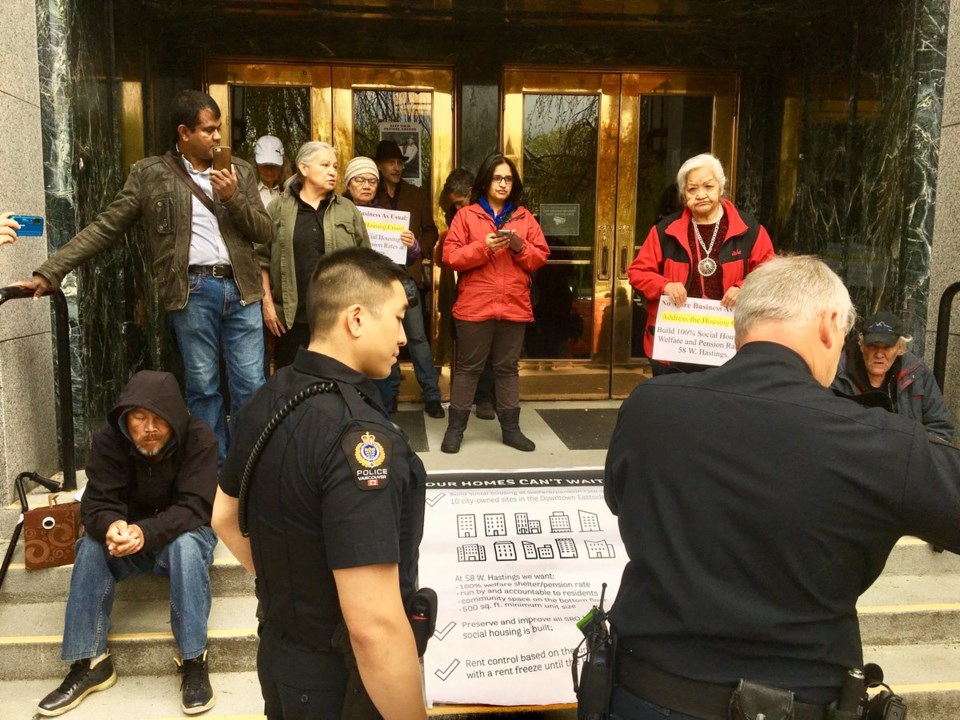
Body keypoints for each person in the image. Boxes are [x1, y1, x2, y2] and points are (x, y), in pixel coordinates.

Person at [604, 256, 960, 720]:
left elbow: (619, 498)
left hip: (643, 694)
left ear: (740, 329)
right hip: (794, 701)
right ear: (831, 326)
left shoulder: (648, 408)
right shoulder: (882, 443)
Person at [212, 247, 427, 720]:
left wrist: (295, 591)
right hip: (341, 681)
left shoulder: (268, 394)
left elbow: (224, 517)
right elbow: (373, 625)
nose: (403, 337)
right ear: (356, 319)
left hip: (280, 658)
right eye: (396, 318)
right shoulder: (361, 438)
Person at [16, 90, 271, 467]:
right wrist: (51, 270)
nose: (217, 138)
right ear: (184, 132)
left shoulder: (241, 172)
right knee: (204, 389)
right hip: (192, 291)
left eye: (218, 129)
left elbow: (264, 232)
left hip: (243, 289)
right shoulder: (151, 174)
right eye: (208, 130)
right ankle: (211, 473)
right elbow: (106, 227)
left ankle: (254, 472)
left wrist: (233, 197)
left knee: (251, 388)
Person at [37, 370, 218, 717]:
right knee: (90, 546)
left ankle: (193, 658)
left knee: (185, 546)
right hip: (128, 539)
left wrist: (144, 533)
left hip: (182, 537)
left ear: (176, 419)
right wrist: (112, 525)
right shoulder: (109, 440)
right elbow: (96, 503)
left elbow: (195, 507)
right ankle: (90, 662)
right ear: (125, 418)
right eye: (139, 418)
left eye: (159, 419)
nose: (149, 428)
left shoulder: (200, 438)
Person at [627, 153, 775, 376]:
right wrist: (664, 286)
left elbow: (770, 273)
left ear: (721, 187)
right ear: (683, 194)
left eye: (708, 186)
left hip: (727, 342)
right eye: (692, 189)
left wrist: (743, 288)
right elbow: (637, 272)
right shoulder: (665, 231)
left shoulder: (749, 230)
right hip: (677, 341)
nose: (701, 195)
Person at [441, 153, 550, 453]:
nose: (503, 184)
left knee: (507, 369)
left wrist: (519, 246)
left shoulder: (524, 217)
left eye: (508, 179)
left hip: (513, 306)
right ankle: (455, 430)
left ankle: (511, 430)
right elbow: (450, 257)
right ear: (486, 181)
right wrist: (482, 247)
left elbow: (540, 257)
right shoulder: (466, 216)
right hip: (475, 307)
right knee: (468, 369)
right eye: (497, 178)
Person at [259, 141, 369, 369]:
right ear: (304, 168)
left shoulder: (348, 210)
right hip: (290, 320)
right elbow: (261, 259)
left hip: (338, 320)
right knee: (292, 388)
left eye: (335, 167)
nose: (333, 172)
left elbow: (366, 264)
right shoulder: (277, 209)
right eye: (325, 165)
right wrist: (267, 305)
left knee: (335, 385)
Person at [373, 141, 444, 418]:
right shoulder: (370, 198)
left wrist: (419, 248)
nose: (397, 167)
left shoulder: (415, 195)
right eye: (391, 162)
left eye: (400, 162)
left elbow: (431, 230)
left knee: (417, 339)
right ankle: (389, 397)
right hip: (378, 279)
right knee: (385, 340)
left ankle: (432, 396)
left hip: (408, 277)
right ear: (379, 165)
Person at [832, 310, 954, 439]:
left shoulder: (918, 374)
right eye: (873, 346)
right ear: (862, 346)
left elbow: (941, 429)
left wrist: (910, 453)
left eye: (886, 347)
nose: (879, 354)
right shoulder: (836, 373)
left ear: (900, 348)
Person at [436, 168, 496, 420]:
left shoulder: (492, 214)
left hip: (489, 287)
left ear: (471, 193)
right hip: (463, 288)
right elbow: (451, 256)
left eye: (460, 202)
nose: (458, 209)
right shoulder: (455, 216)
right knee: (468, 345)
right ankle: (466, 399)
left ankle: (485, 398)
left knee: (490, 347)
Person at [253, 135, 286, 210]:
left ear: (282, 166)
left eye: (274, 166)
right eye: (264, 165)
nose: (269, 171)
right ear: (256, 165)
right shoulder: (248, 192)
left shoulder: (287, 191)